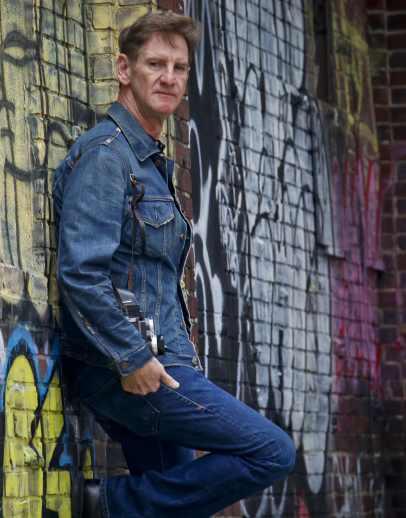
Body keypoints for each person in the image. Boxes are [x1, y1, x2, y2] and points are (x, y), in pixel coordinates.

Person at [53, 11, 296, 518]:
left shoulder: (151, 163)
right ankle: (110, 506)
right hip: (125, 370)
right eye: (155, 63)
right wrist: (132, 357)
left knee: (171, 505)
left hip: (157, 364)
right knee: (273, 450)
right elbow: (80, 272)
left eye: (179, 68)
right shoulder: (107, 155)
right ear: (124, 69)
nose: (169, 78)